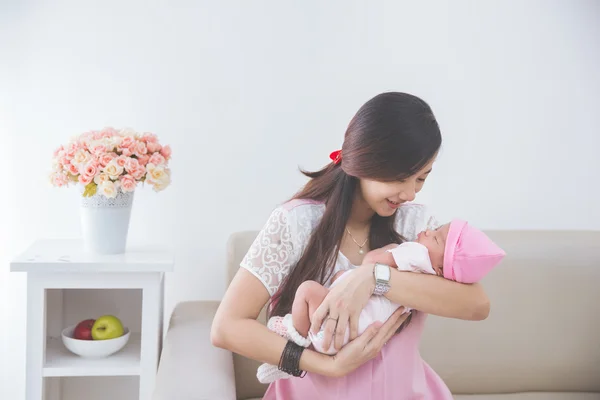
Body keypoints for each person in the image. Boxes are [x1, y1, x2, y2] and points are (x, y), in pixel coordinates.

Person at [211, 92, 493, 399]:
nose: (411, 193)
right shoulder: (296, 222)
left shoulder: (416, 228)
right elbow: (226, 326)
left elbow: (477, 305)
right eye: (403, 178)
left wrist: (374, 278)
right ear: (367, 161)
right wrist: (326, 365)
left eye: (421, 179)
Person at [255, 219, 505, 383]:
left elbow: (371, 262)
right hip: (354, 336)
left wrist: (378, 265)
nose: (429, 231)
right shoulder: (430, 275)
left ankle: (295, 335)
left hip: (338, 327)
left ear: (441, 268)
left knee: (308, 290)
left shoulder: (415, 252)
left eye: (437, 237)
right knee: (338, 279)